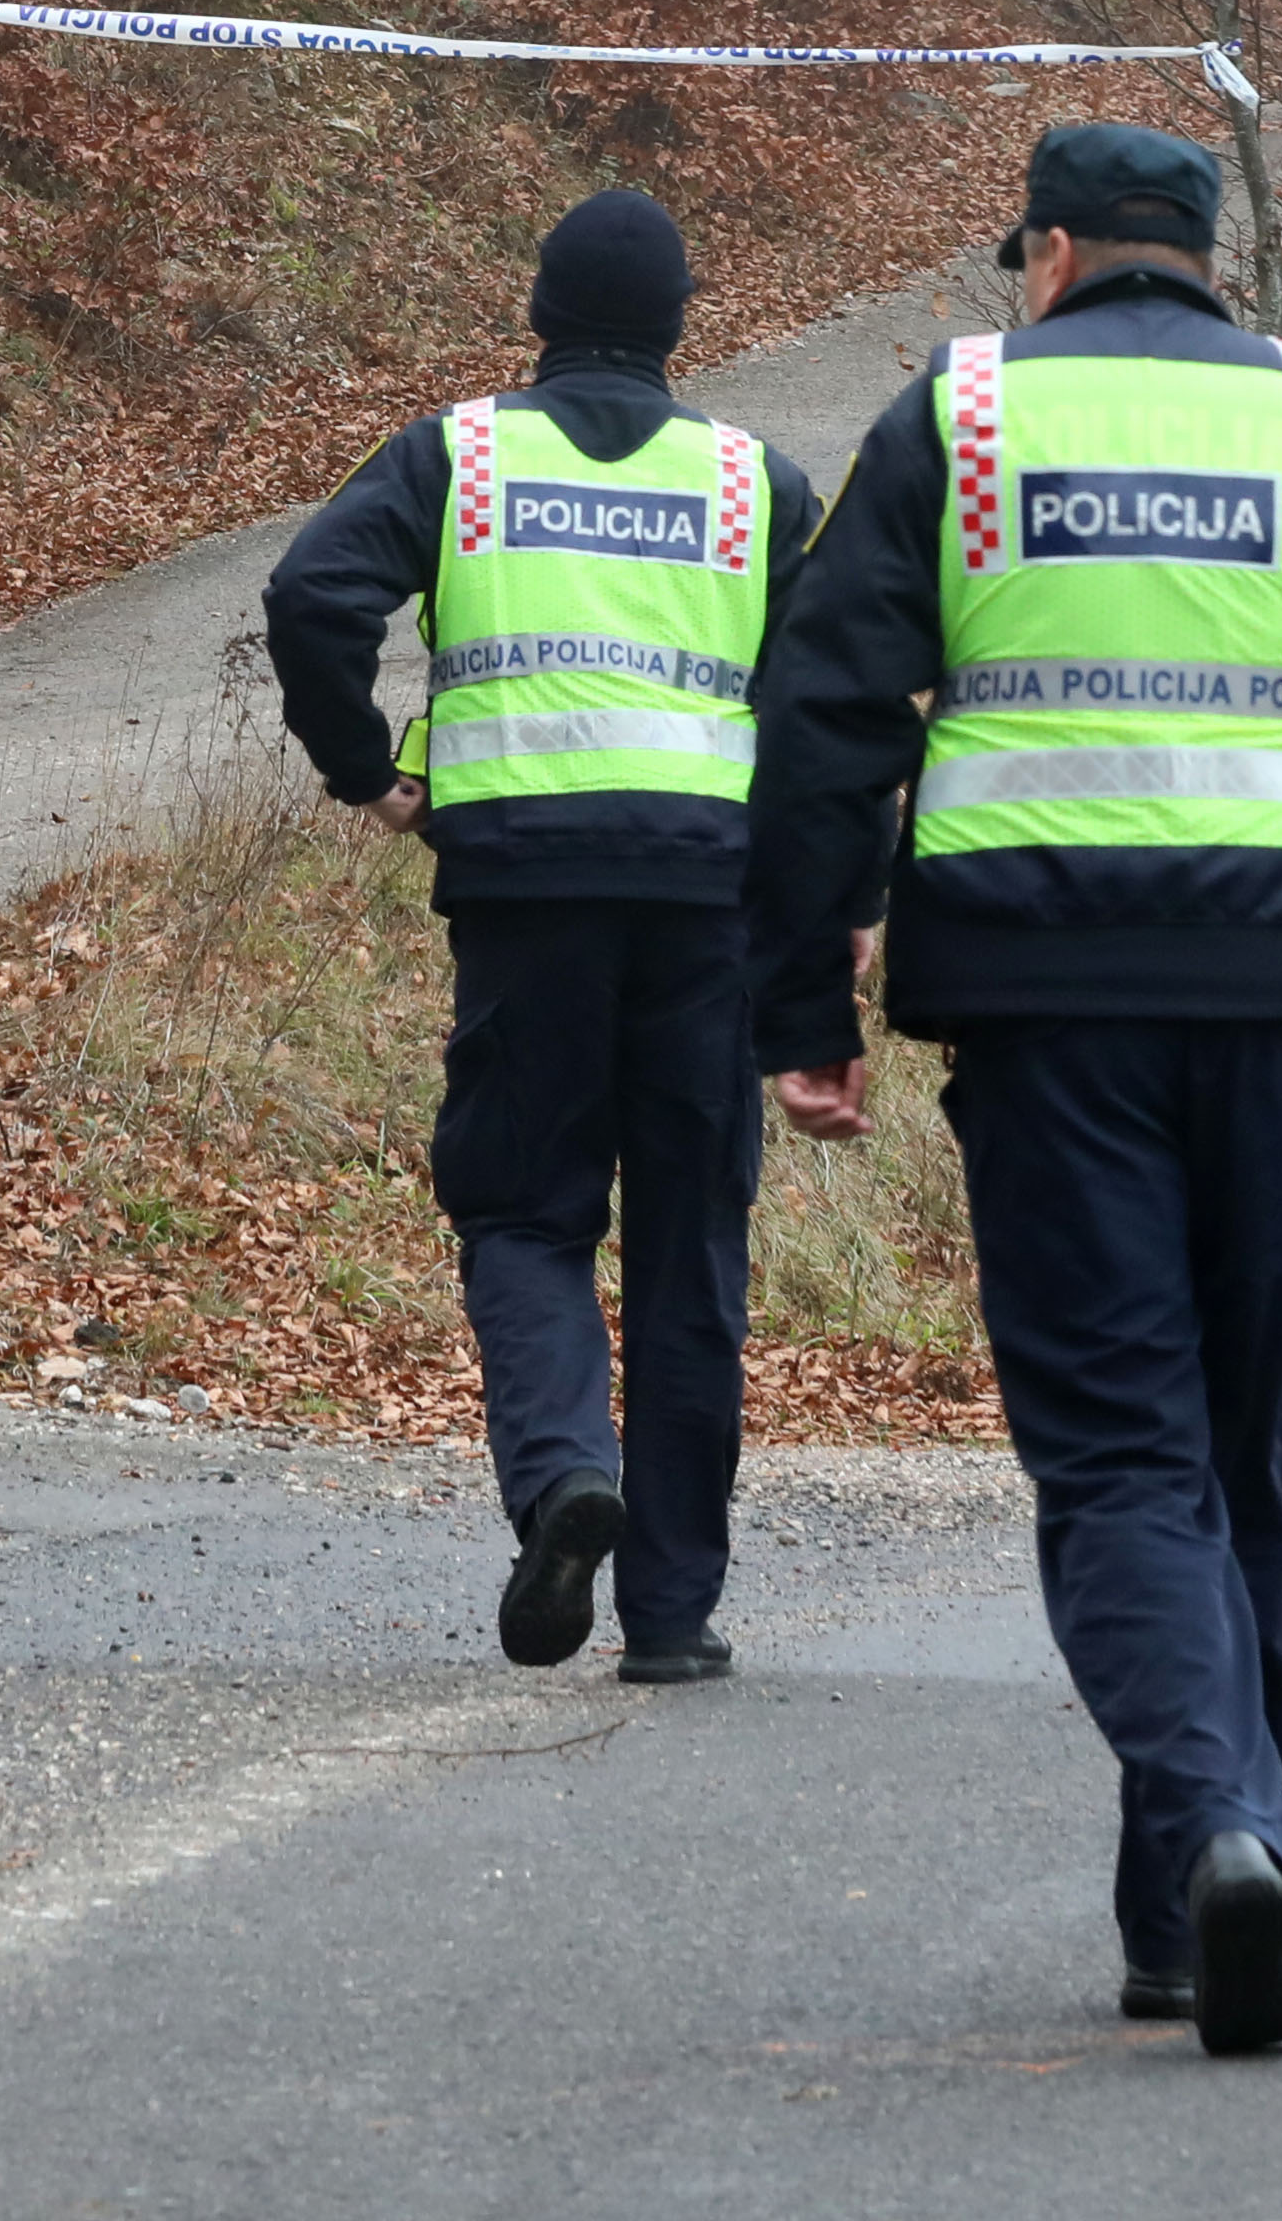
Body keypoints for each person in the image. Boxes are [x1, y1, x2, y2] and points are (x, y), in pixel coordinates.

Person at [740, 120, 1282, 2059]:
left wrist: (798, 997)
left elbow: (820, 717)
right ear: (1203, 257)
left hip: (1052, 1016)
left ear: (1051, 249)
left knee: (1124, 1455)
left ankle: (1222, 1821)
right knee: (1239, 1446)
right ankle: (1192, 1897)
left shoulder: (957, 415)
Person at [259, 187, 819, 1681]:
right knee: (694, 1247)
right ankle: (677, 1620)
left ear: (540, 318)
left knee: (523, 1210)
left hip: (524, 894)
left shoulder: (464, 454)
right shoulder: (759, 485)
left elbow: (314, 594)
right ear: (682, 328)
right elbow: (838, 698)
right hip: (711, 905)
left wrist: (367, 771)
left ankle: (569, 1470)